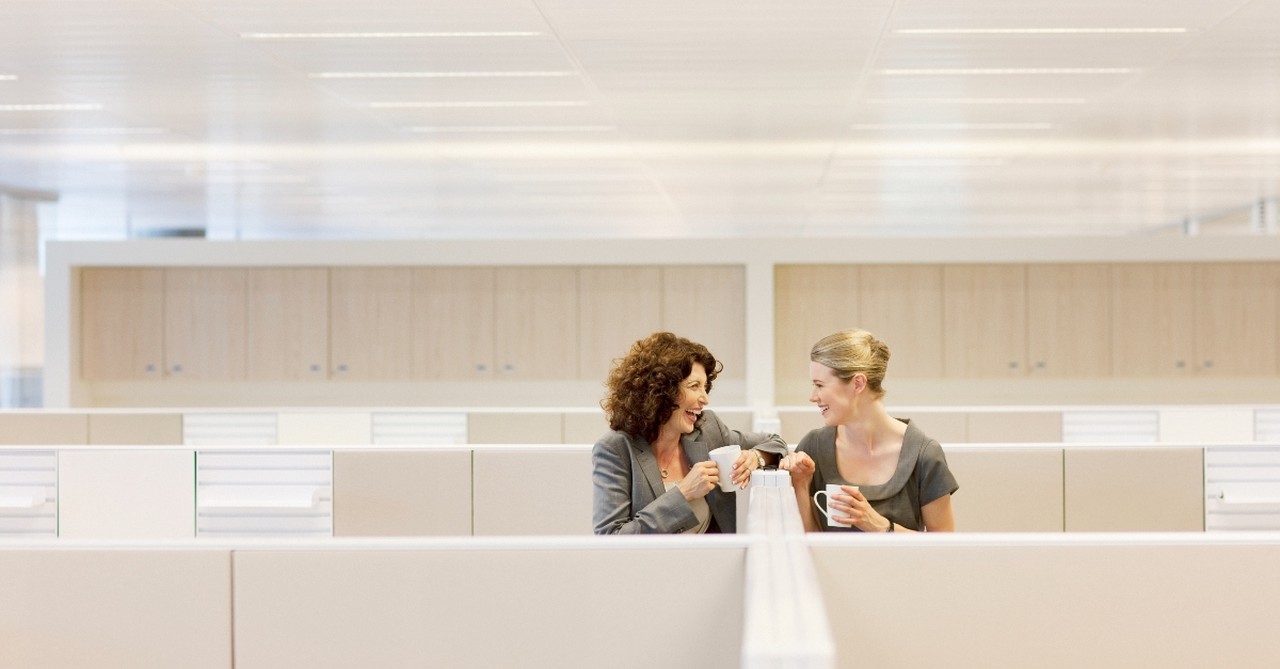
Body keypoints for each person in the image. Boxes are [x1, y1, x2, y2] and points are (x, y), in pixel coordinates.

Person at [592, 332, 788, 534]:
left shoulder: (707, 429)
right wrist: (683, 493)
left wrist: (756, 457)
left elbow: (776, 443)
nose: (705, 399)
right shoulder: (616, 448)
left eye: (705, 387)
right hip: (650, 565)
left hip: (713, 562)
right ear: (660, 391)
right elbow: (611, 537)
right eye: (694, 386)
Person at [780, 329, 957, 533]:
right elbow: (809, 543)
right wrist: (800, 484)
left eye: (820, 385)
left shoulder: (923, 454)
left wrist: (880, 526)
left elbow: (944, 547)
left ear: (858, 383)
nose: (813, 396)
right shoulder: (814, 447)